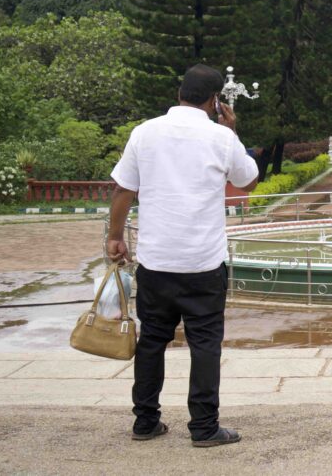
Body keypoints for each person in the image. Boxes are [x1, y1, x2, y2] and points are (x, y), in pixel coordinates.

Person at [106, 64, 258, 447]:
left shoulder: (145, 132)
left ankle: (145, 422)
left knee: (152, 340)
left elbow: (124, 190)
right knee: (205, 344)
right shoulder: (221, 137)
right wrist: (232, 131)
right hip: (203, 263)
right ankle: (204, 428)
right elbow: (247, 180)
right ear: (214, 101)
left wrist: (114, 238)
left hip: (157, 262)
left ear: (179, 94)